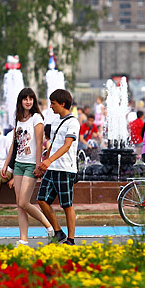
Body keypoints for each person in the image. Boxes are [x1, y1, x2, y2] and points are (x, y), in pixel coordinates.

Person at [1, 88, 54, 246]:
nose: (28, 101)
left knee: (24, 202)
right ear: (21, 101)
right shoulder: (17, 118)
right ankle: (23, 239)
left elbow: (39, 143)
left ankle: (49, 226)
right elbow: (14, 143)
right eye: (25, 99)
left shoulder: (37, 118)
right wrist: (6, 165)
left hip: (31, 164)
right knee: (19, 204)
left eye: (31, 98)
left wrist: (38, 165)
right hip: (18, 164)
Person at [36, 89, 81, 245]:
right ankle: (58, 232)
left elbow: (67, 145)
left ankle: (71, 239)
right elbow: (53, 145)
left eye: (53, 103)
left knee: (67, 205)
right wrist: (44, 163)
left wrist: (49, 161)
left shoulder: (73, 122)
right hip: (52, 168)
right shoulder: (55, 122)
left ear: (63, 104)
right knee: (41, 200)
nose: (51, 106)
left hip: (65, 169)